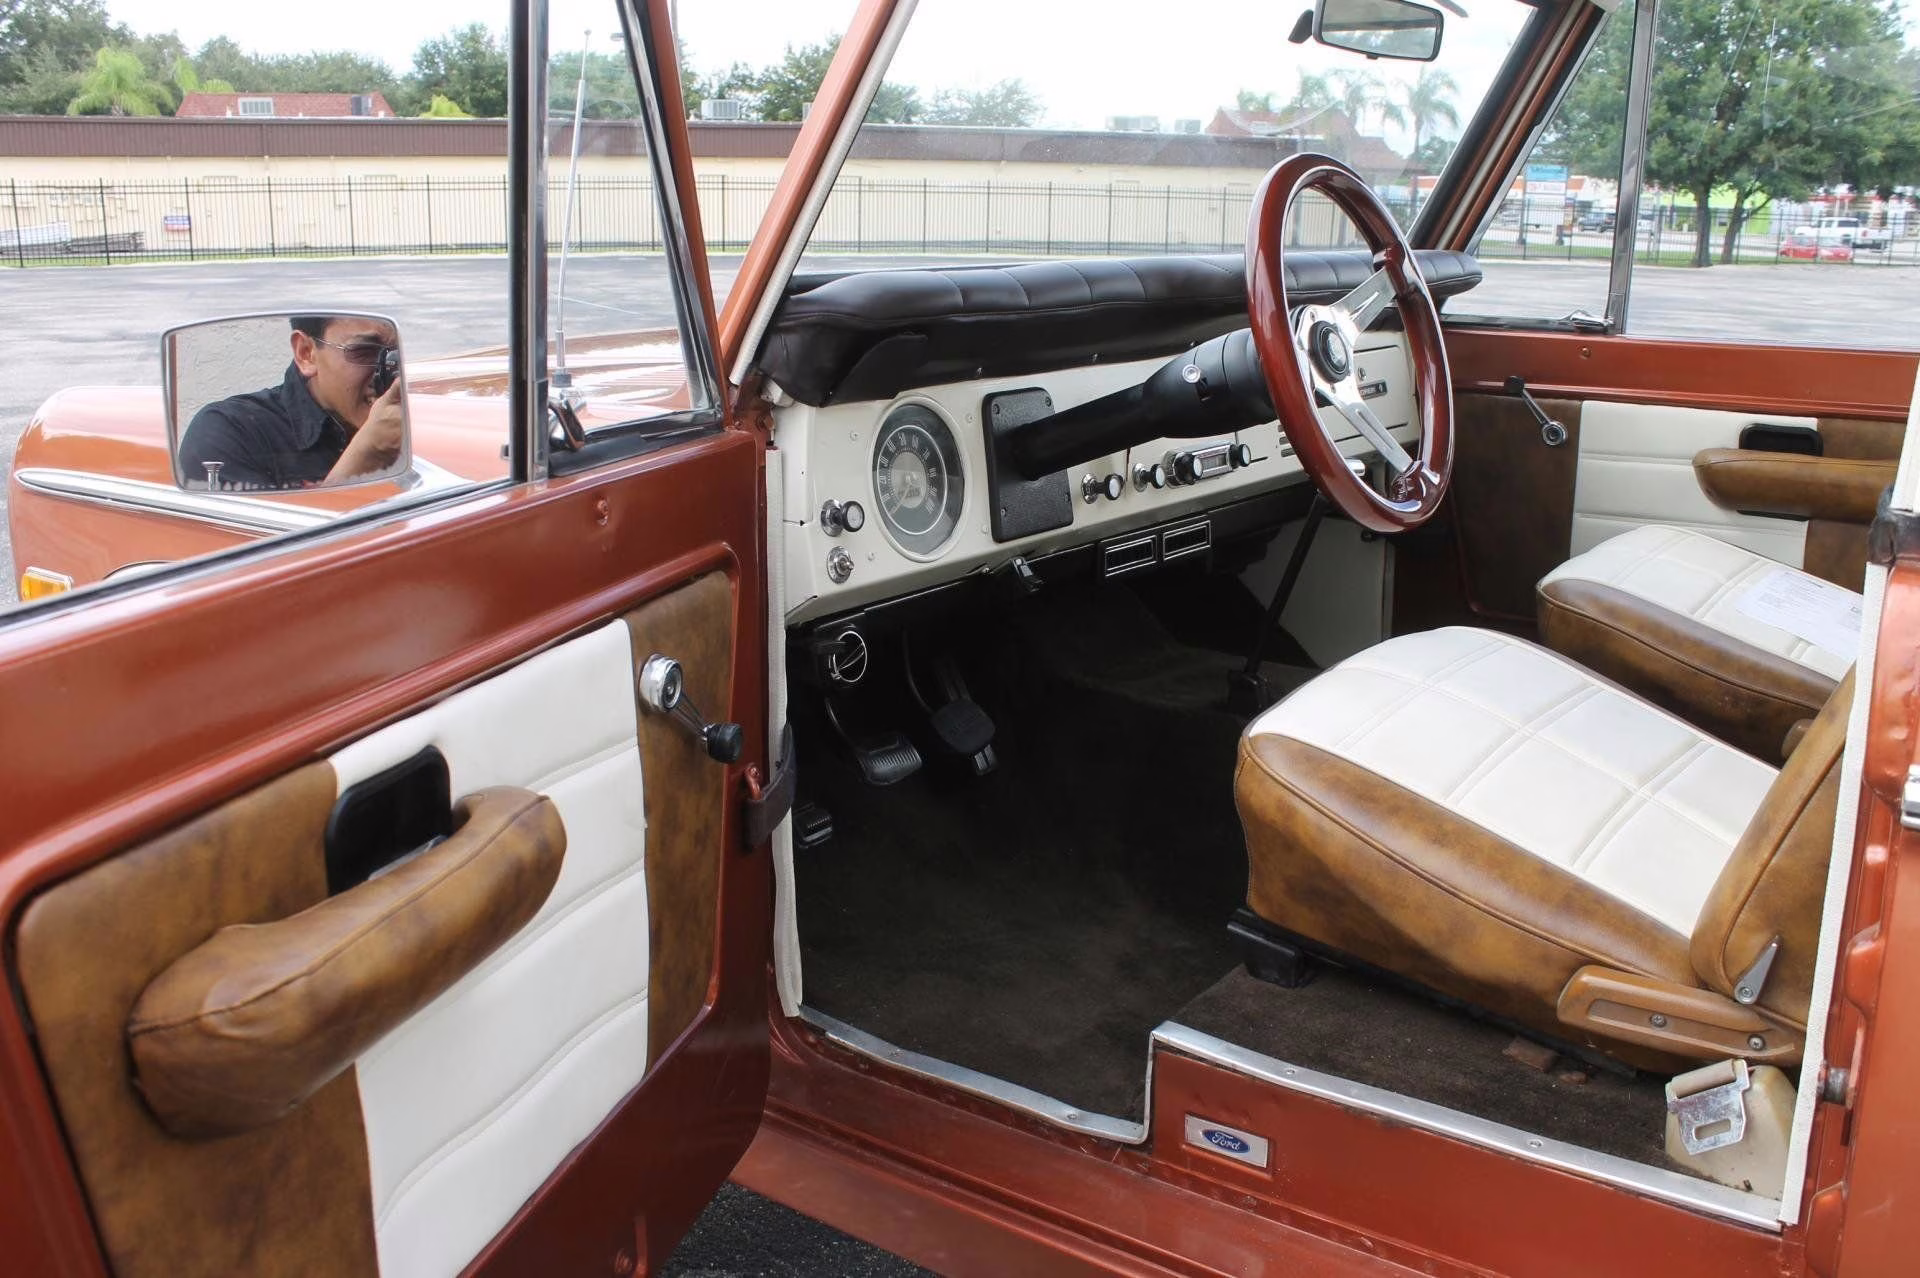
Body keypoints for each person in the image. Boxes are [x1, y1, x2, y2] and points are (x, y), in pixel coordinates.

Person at [177, 315, 405, 491]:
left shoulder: (421, 416)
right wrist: (367, 453)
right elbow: (274, 549)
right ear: (306, 353)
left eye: (397, 355)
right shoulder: (230, 433)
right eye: (365, 352)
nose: (388, 370)